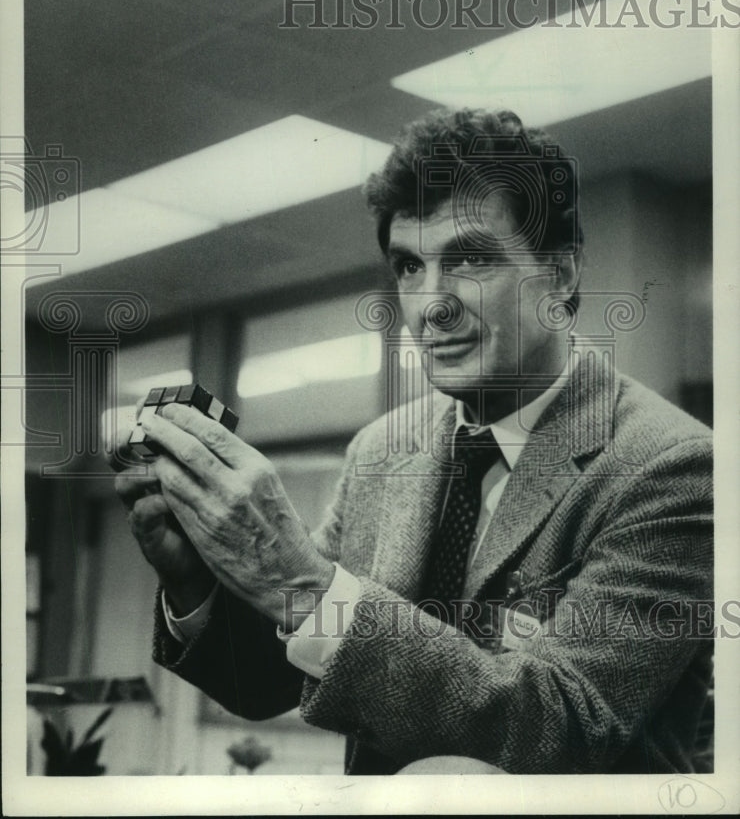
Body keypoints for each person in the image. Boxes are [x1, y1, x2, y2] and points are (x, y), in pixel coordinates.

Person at [113, 108, 713, 775]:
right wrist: (196, 577)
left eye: (471, 259)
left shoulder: (670, 466)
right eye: (408, 266)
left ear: (562, 276)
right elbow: (272, 683)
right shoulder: (383, 450)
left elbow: (563, 725)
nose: (431, 305)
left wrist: (305, 584)